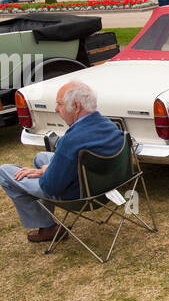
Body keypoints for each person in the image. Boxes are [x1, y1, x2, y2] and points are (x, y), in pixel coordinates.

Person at [0, 81, 124, 243]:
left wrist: (45, 172)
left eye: (59, 104)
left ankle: (48, 227)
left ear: (76, 106)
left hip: (81, 197)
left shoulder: (70, 141)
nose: (56, 109)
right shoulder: (109, 126)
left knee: (4, 171)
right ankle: (47, 225)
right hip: (107, 186)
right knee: (41, 158)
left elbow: (50, 187)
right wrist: (47, 168)